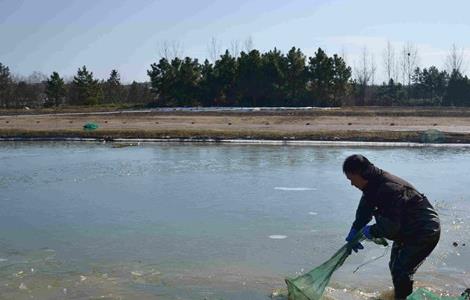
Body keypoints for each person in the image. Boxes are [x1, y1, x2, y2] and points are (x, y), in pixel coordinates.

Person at [343, 154, 440, 300]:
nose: (351, 184)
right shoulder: (372, 185)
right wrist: (355, 229)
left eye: (351, 179)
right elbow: (364, 211)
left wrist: (371, 231)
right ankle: (402, 297)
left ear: (360, 174)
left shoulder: (389, 189)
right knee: (396, 267)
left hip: (424, 230)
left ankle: (403, 298)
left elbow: (391, 228)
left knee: (402, 269)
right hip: (408, 230)